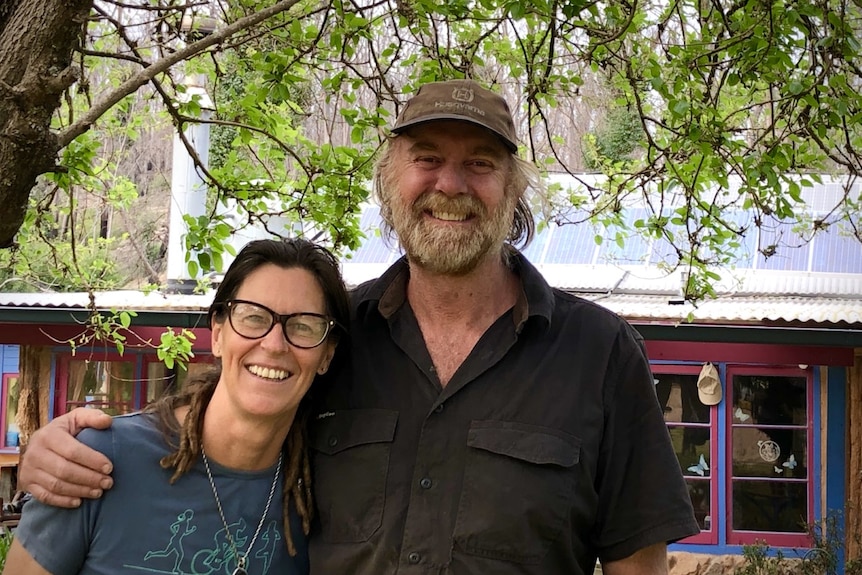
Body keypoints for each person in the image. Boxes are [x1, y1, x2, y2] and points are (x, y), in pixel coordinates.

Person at [18, 79, 698, 574]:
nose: (451, 184)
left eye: (481, 164)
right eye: (426, 157)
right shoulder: (331, 336)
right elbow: (230, 419)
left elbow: (639, 563)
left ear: (514, 189)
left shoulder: (600, 354)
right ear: (389, 180)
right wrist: (59, 446)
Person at [5, 238, 349, 575]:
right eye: (253, 317)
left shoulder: (322, 493)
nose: (274, 344)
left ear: (326, 354)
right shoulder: (95, 461)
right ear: (217, 333)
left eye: (304, 326)